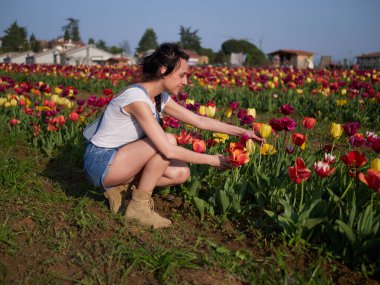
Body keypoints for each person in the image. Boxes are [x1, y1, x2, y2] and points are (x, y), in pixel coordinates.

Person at [83, 43, 263, 229]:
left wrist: (244, 132)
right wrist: (212, 160)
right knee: (167, 141)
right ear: (163, 70)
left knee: (181, 172)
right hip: (101, 161)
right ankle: (138, 208)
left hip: (123, 159)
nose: (185, 81)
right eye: (182, 75)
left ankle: (121, 193)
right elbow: (167, 150)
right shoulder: (136, 98)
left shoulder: (160, 97)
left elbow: (199, 121)